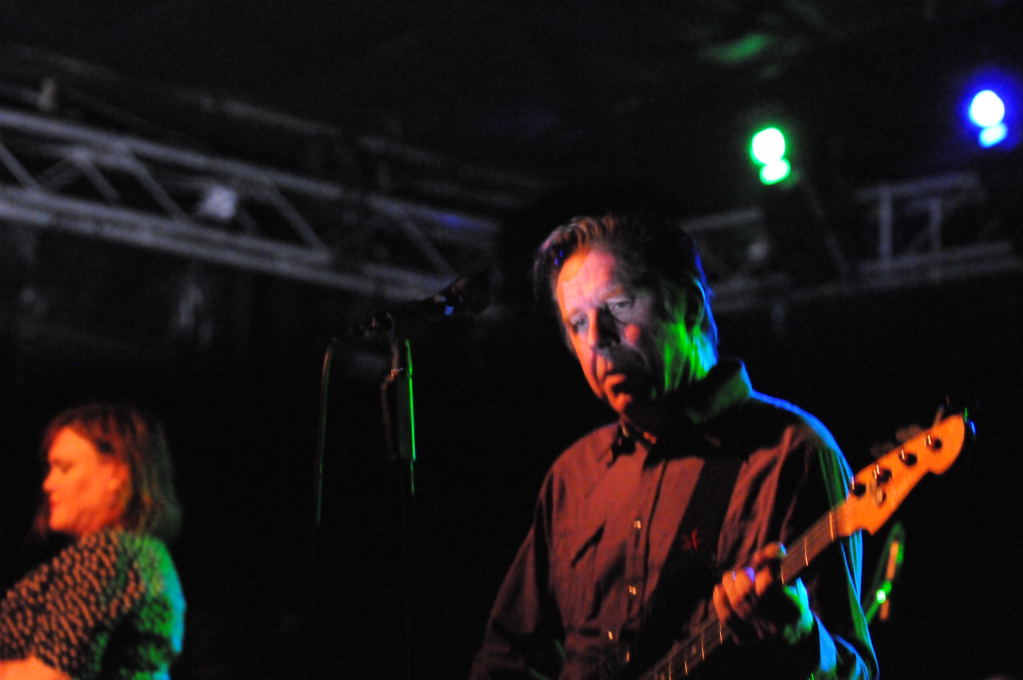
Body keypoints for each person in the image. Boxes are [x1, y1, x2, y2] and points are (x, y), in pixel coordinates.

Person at [469, 212, 877, 679]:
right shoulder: (574, 474)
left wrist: (799, 636)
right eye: (578, 323)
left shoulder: (793, 454)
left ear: (689, 306)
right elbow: (506, 656)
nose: (597, 339)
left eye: (619, 305)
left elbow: (856, 672)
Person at [0, 403, 185, 680]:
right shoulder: (146, 554)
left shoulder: (106, 553)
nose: (48, 484)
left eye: (64, 468)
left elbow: (52, 675)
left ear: (116, 473)